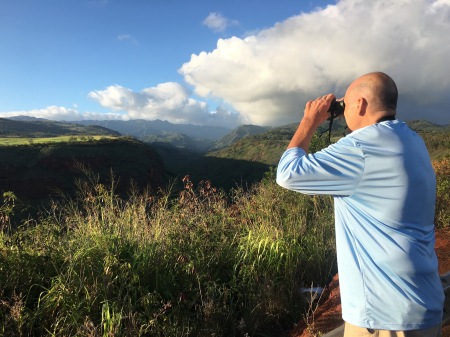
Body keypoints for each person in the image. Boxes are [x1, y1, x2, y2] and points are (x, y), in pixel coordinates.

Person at [276, 72, 444, 336]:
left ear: (361, 104)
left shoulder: (361, 148)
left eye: (346, 104)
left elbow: (287, 173)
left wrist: (310, 120)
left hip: (385, 317)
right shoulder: (412, 140)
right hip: (424, 306)